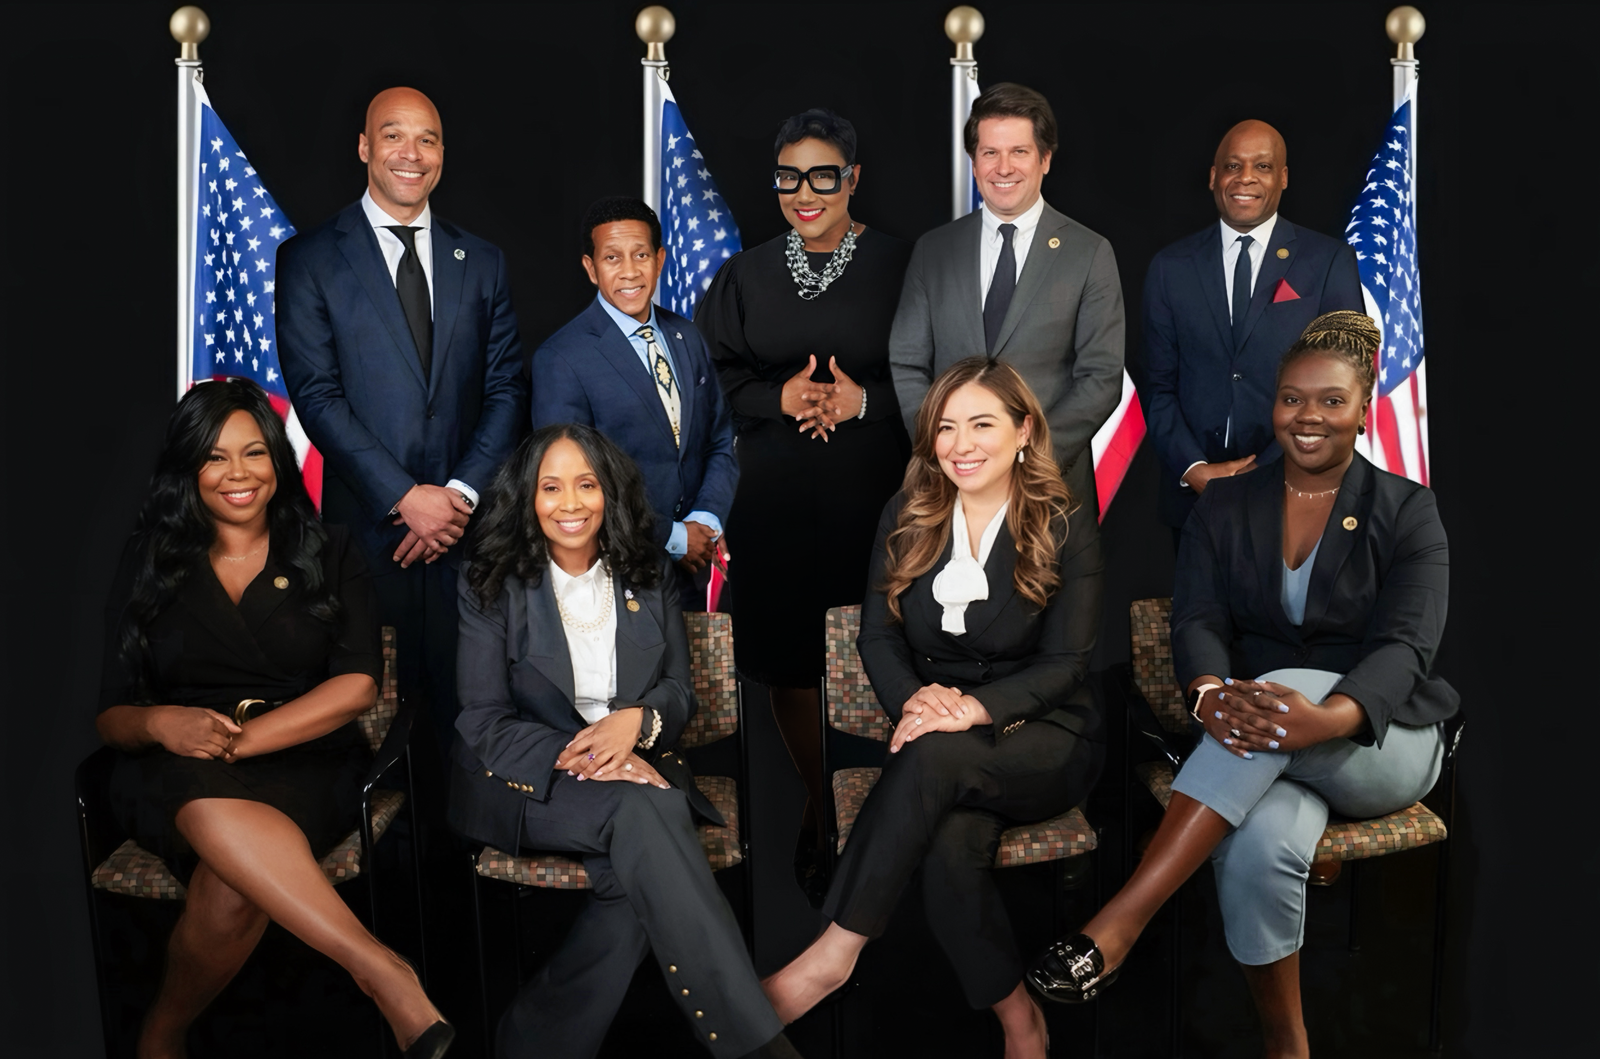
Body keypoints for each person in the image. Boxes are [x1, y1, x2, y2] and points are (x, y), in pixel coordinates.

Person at [1028, 313, 1457, 1059]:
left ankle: (1121, 921)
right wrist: (1206, 692)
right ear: (1273, 405)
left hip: (1380, 740)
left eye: (1331, 400)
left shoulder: (1407, 511)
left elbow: (1405, 649)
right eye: (1292, 399)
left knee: (1277, 685)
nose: (1308, 416)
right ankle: (1286, 1043)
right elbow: (1197, 618)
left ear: (1362, 411)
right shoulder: (1225, 505)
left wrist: (1324, 718)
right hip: (1258, 737)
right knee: (1261, 843)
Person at [95, 379, 454, 1059]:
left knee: (232, 889)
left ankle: (161, 1034)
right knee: (206, 807)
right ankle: (382, 970)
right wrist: (161, 724)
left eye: (253, 452)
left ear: (277, 460)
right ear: (188, 467)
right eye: (215, 456)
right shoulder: (149, 558)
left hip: (305, 756)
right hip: (175, 763)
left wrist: (244, 740)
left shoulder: (331, 548)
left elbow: (358, 685)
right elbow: (110, 714)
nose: (238, 473)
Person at [761, 359, 1104, 1058]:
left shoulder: (1065, 521)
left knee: (935, 751)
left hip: (1043, 734)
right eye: (945, 427)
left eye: (981, 424)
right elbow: (877, 634)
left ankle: (832, 954)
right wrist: (915, 699)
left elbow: (1067, 664)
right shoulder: (908, 511)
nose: (960, 445)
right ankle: (1019, 1017)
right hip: (935, 732)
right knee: (949, 848)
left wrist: (972, 709)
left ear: (1024, 430)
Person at [446, 424, 803, 1059]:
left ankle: (532, 1043)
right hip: (525, 778)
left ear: (609, 492)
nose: (570, 503)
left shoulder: (647, 570)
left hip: (638, 767)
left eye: (587, 485)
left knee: (632, 876)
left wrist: (636, 723)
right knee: (649, 810)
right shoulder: (490, 581)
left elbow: (678, 691)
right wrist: (593, 755)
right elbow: (483, 720)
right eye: (551, 487)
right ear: (528, 496)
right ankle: (758, 1045)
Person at [696, 108, 913, 900]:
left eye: (823, 175)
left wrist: (864, 402)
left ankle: (882, 809)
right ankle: (824, 805)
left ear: (853, 178)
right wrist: (780, 397)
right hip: (776, 500)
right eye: (789, 177)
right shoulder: (745, 274)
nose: (805, 192)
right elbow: (712, 378)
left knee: (875, 653)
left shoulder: (902, 265)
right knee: (790, 662)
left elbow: (939, 374)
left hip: (874, 497)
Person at [278, 86, 528, 748]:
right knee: (368, 739)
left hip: (467, 542)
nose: (411, 153)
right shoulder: (309, 259)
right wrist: (404, 498)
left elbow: (506, 389)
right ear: (365, 147)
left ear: (442, 153)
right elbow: (317, 394)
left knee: (467, 732)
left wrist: (457, 497)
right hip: (367, 538)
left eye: (427, 139)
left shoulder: (482, 261)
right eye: (393, 135)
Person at [888, 82, 1125, 511]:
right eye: (990, 152)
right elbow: (907, 363)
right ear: (974, 162)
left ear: (1045, 159)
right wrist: (944, 450)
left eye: (1019, 151)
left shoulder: (1090, 253)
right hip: (949, 485)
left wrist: (1028, 462)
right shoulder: (933, 251)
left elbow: (1102, 378)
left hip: (1048, 490)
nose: (1003, 168)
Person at [1143, 119, 1364, 540]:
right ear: (1214, 177)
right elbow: (1158, 387)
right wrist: (1195, 470)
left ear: (1283, 177)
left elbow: (1344, 385)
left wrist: (1264, 470)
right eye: (1233, 165)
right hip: (1194, 503)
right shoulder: (1170, 267)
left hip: (1296, 492)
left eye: (1262, 166)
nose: (1245, 177)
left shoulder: (1328, 262)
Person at [530, 196, 738, 606]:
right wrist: (674, 537)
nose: (629, 271)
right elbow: (574, 487)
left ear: (659, 260)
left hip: (699, 562)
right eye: (612, 257)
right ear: (591, 268)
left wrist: (705, 520)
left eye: (641, 255)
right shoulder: (561, 358)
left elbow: (719, 438)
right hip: (619, 572)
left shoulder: (687, 335)